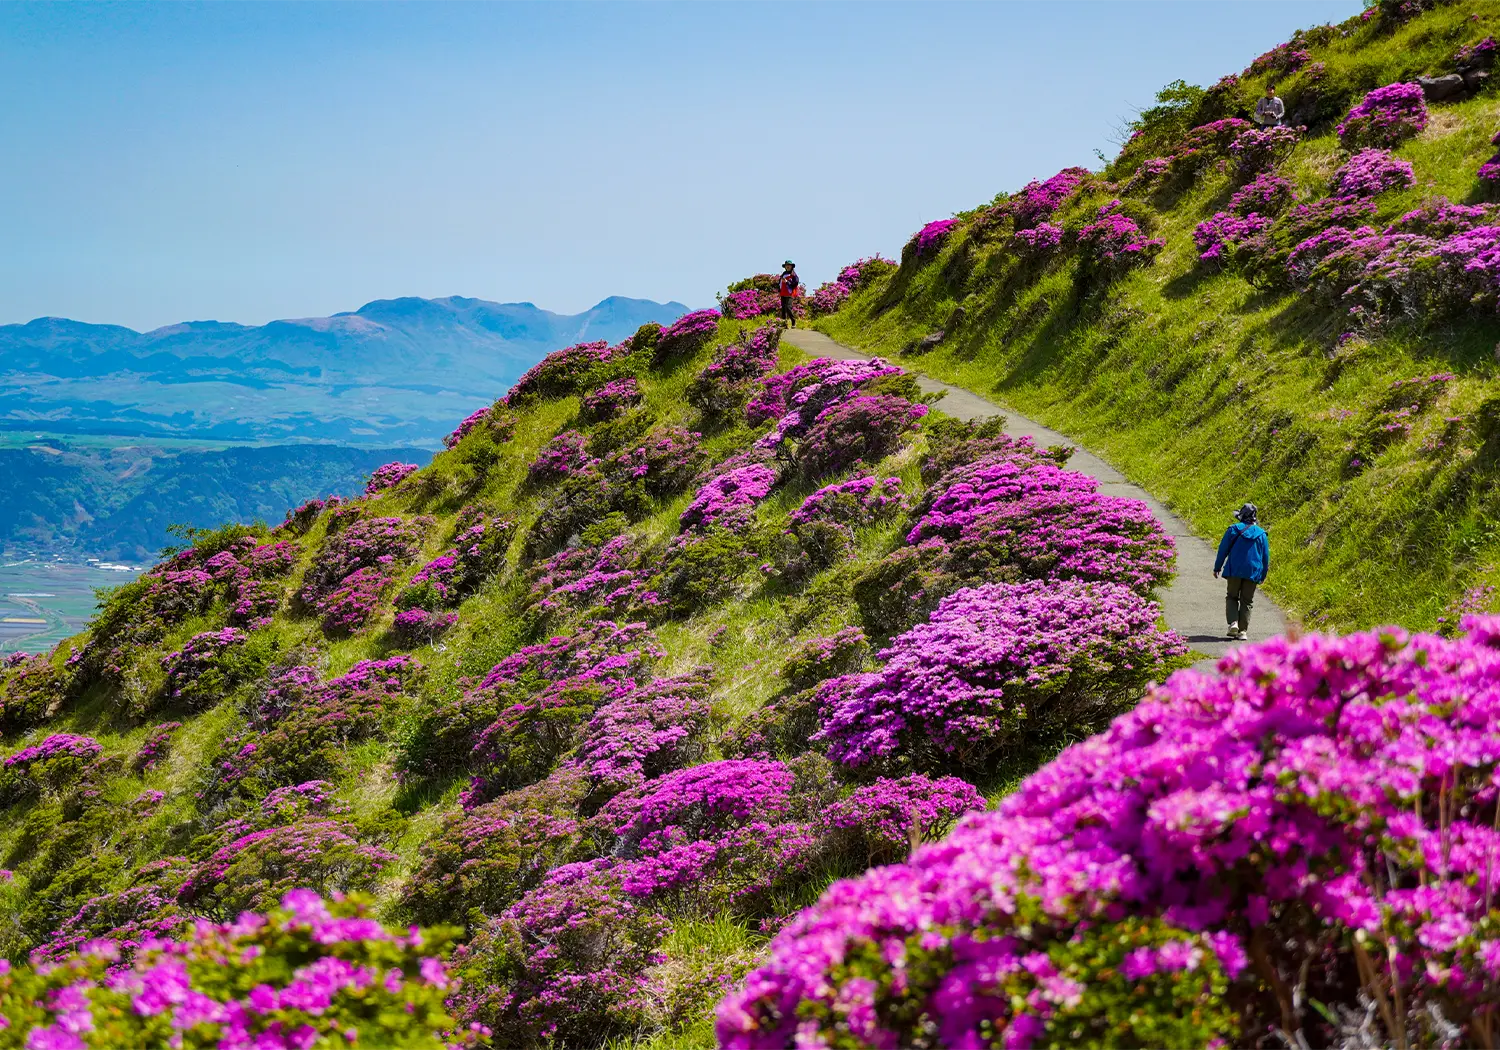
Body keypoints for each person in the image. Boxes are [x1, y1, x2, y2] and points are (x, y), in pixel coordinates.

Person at [1214, 503, 1269, 640]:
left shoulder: (1233, 530)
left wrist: (1217, 567)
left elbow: (1223, 550)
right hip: (1253, 571)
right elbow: (1265, 557)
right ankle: (1243, 631)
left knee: (1232, 596)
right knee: (1247, 601)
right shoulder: (1262, 534)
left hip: (1234, 570)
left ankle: (1233, 623)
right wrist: (1263, 575)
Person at [777, 260, 801, 327]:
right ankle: (784, 323)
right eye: (786, 265)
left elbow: (795, 283)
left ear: (791, 266)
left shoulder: (793, 275)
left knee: (788, 307)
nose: (787, 266)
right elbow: (780, 283)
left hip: (790, 293)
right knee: (783, 309)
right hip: (783, 293)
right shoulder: (783, 274)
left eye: (789, 265)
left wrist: (787, 282)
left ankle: (793, 321)